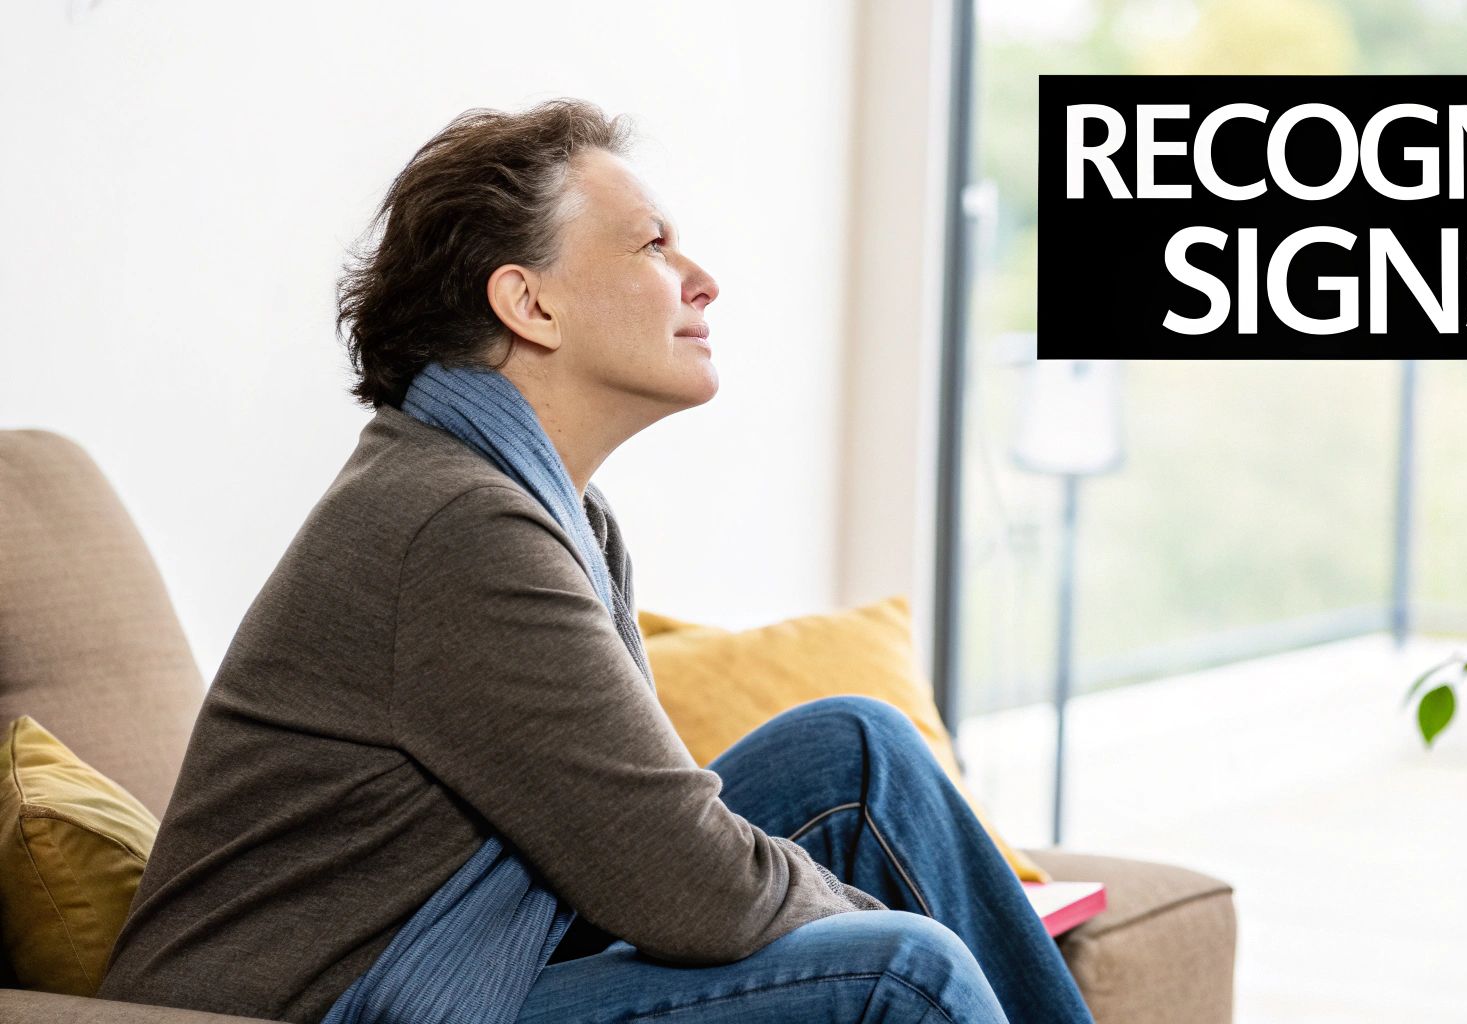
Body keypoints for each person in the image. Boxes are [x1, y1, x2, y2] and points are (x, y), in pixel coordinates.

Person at [95, 99, 1095, 1024]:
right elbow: (687, 886)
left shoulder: (543, 505)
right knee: (902, 969)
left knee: (856, 751)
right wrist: (867, 909)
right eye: (653, 245)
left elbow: (635, 841)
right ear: (528, 305)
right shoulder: (454, 524)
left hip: (467, 948)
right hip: (341, 1004)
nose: (701, 278)